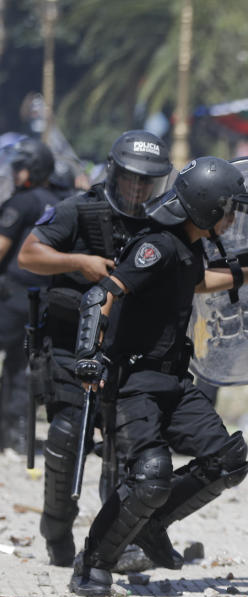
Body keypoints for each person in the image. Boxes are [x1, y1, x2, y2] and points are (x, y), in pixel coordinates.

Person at [68, 156, 248, 596]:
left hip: (173, 380)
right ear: (208, 208)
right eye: (229, 210)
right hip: (133, 382)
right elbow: (103, 293)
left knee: (228, 461)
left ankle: (153, 525)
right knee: (150, 475)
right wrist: (88, 353)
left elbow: (198, 281)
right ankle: (92, 563)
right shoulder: (156, 245)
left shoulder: (186, 247)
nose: (232, 220)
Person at [18, 130, 173, 566]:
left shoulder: (160, 222)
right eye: (131, 179)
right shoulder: (78, 210)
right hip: (71, 347)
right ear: (114, 173)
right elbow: (29, 255)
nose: (139, 189)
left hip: (130, 353)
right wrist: (79, 263)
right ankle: (57, 530)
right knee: (68, 439)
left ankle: (115, 543)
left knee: (129, 454)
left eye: (149, 182)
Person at [0, 137, 57, 457]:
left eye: (20, 167)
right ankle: (17, 436)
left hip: (10, 299)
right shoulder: (56, 201)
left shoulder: (21, 203)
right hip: (41, 301)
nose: (16, 172)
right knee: (22, 368)